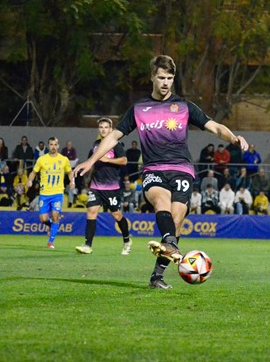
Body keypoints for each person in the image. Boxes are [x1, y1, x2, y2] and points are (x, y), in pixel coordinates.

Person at [74, 55, 248, 290]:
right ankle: (169, 244)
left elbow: (214, 126)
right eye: (161, 77)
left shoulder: (185, 106)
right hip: (153, 169)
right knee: (160, 201)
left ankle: (157, 276)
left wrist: (233, 137)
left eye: (169, 78)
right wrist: (92, 160)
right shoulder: (139, 109)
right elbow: (114, 137)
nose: (165, 82)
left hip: (182, 169)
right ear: (152, 78)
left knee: (176, 221)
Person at [75, 118, 132, 255]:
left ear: (111, 129)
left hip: (111, 187)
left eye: (106, 127)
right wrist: (88, 178)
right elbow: (91, 163)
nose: (103, 129)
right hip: (96, 186)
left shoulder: (115, 144)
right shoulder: (96, 144)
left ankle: (127, 240)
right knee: (91, 212)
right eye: (101, 127)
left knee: (117, 216)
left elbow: (124, 160)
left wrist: (107, 159)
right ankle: (87, 245)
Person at [27, 137, 74, 249]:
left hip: (58, 193)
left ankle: (50, 242)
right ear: (48, 146)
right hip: (44, 193)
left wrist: (72, 181)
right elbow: (33, 172)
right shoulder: (41, 159)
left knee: (55, 215)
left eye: (55, 144)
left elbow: (69, 172)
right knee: (43, 219)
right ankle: (51, 225)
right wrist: (30, 180)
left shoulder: (64, 159)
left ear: (58, 146)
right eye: (51, 144)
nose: (53, 146)